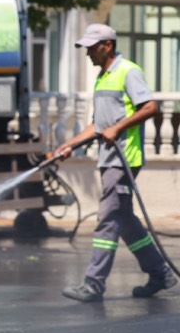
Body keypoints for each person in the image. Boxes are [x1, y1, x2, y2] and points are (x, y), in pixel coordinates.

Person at [55, 22, 174, 303]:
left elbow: (150, 107)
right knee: (126, 221)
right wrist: (70, 144)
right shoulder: (102, 77)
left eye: (92, 48)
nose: (88, 54)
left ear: (107, 45)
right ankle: (160, 274)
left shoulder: (128, 72)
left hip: (124, 158)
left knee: (107, 219)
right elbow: (97, 124)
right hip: (109, 159)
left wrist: (118, 128)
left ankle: (94, 284)